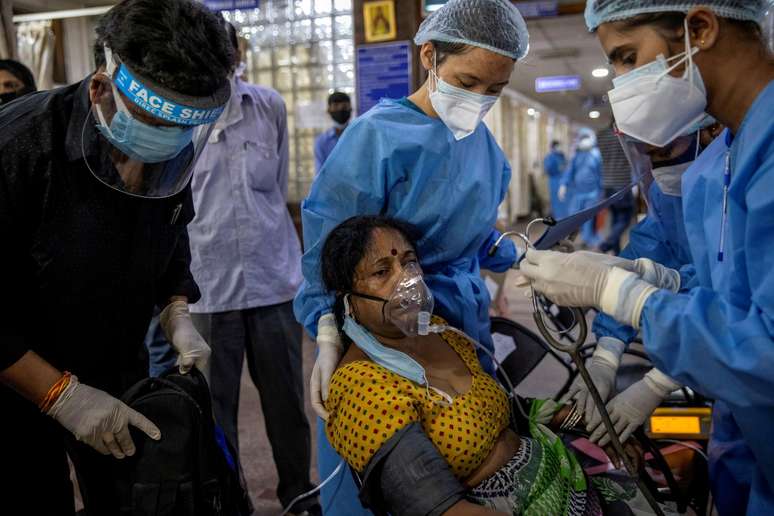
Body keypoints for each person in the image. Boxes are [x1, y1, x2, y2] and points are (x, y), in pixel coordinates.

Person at [520, 2, 774, 514]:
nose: (621, 82)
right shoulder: (728, 159)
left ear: (700, 28)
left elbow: (763, 351)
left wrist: (628, 297)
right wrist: (618, 327)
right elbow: (726, 295)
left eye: (628, 56)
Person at [293, 0, 529, 512]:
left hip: (460, 324)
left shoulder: (485, 149)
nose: (479, 99)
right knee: (392, 475)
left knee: (471, 452)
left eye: (495, 89)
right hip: (384, 331)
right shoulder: (376, 138)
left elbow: (473, 236)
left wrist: (525, 258)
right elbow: (329, 245)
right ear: (429, 56)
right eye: (467, 82)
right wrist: (327, 329)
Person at [0, 1, 232, 513]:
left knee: (137, 494)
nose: (164, 145)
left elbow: (171, 229)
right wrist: (59, 394)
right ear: (101, 88)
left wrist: (176, 307)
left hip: (115, 359)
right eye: (151, 124)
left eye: (177, 132)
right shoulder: (17, 146)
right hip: (15, 372)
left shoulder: (172, 144)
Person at [320, 215, 674, 516]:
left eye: (410, 263)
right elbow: (441, 509)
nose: (406, 281)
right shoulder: (361, 388)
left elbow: (503, 412)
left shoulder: (440, 332)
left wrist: (589, 424)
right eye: (382, 271)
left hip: (563, 483)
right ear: (348, 298)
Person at [185, 21, 318, 515]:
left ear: (238, 52)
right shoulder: (181, 117)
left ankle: (297, 493)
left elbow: (277, 187)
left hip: (272, 280)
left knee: (287, 401)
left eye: (228, 48)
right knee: (214, 407)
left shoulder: (269, 106)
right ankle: (229, 500)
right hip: (208, 286)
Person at [566, 123, 725, 447]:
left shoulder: (734, 190)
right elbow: (646, 250)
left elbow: (730, 306)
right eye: (647, 154)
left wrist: (659, 382)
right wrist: (606, 355)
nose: (657, 166)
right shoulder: (666, 195)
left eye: (664, 151)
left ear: (711, 129)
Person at [595, 123, 635, 254]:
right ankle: (606, 245)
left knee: (615, 219)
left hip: (607, 184)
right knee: (625, 218)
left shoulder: (601, 135)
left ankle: (616, 253)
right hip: (622, 184)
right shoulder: (623, 135)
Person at [560, 129, 603, 248]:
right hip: (577, 192)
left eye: (586, 138)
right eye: (583, 138)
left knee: (588, 218)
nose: (585, 141)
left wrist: (601, 192)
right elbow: (569, 171)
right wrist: (563, 185)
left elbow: (601, 174)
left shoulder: (596, 154)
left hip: (592, 193)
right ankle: (569, 240)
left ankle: (587, 240)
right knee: (573, 216)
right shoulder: (576, 155)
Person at [314, 91, 352, 173]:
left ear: (351, 109)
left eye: (344, 106)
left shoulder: (360, 135)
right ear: (329, 110)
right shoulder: (322, 141)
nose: (340, 109)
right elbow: (320, 173)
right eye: (336, 106)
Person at [543, 139, 567, 219]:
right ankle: (558, 219)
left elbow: (566, 167)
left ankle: (563, 219)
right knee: (556, 202)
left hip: (562, 181)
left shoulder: (562, 156)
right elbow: (547, 169)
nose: (559, 148)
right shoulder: (550, 157)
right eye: (557, 146)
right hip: (554, 181)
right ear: (553, 147)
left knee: (563, 201)